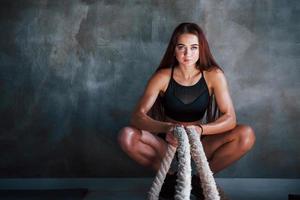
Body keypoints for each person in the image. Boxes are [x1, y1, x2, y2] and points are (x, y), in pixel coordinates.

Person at [118, 22, 255, 199]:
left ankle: (200, 181)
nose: (187, 54)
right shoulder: (162, 76)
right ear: (174, 49)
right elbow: (137, 117)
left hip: (199, 142)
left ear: (201, 49)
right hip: (168, 143)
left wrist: (201, 130)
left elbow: (230, 118)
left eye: (193, 47)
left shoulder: (214, 75)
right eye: (181, 47)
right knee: (126, 135)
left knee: (246, 134)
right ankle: (170, 179)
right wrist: (167, 129)